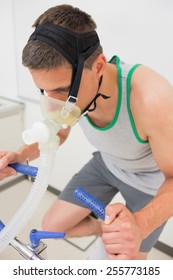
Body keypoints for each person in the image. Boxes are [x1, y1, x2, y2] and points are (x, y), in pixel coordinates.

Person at [0, 4, 173, 260]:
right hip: (107, 164)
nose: (53, 103)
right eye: (43, 90)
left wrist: (140, 225)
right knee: (51, 226)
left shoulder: (153, 98)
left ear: (99, 67)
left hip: (150, 181)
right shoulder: (69, 89)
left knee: (126, 258)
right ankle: (100, 226)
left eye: (61, 90)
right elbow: (57, 132)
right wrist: (21, 155)